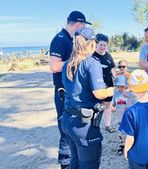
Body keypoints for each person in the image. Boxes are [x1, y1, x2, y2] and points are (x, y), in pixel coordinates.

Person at [61, 32, 114, 168]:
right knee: (89, 164)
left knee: (75, 161)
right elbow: (99, 93)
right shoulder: (91, 62)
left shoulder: (68, 63)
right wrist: (112, 90)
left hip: (68, 119)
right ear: (91, 43)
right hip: (84, 125)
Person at [49, 11, 91, 169]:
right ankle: (65, 164)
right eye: (84, 25)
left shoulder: (69, 39)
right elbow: (54, 66)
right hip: (62, 93)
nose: (84, 28)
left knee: (72, 129)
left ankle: (73, 161)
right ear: (78, 24)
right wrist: (76, 62)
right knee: (66, 131)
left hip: (70, 93)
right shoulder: (60, 39)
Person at [119, 69, 148, 169]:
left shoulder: (131, 112)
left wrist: (126, 150)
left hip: (137, 154)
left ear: (132, 88)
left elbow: (130, 137)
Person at [92, 33, 117, 133]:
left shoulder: (108, 56)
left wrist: (117, 79)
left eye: (105, 45)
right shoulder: (92, 56)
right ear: (96, 44)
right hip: (96, 86)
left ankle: (107, 125)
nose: (102, 47)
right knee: (96, 107)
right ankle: (94, 126)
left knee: (108, 106)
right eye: (101, 45)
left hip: (109, 85)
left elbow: (112, 70)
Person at [111, 75, 136, 155]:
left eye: (122, 86)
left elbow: (134, 105)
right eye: (118, 87)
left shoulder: (130, 94)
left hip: (128, 118)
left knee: (129, 132)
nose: (120, 88)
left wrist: (128, 98)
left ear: (126, 86)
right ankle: (122, 144)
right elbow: (113, 104)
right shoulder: (115, 93)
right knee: (120, 132)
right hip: (119, 117)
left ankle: (130, 145)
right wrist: (112, 107)